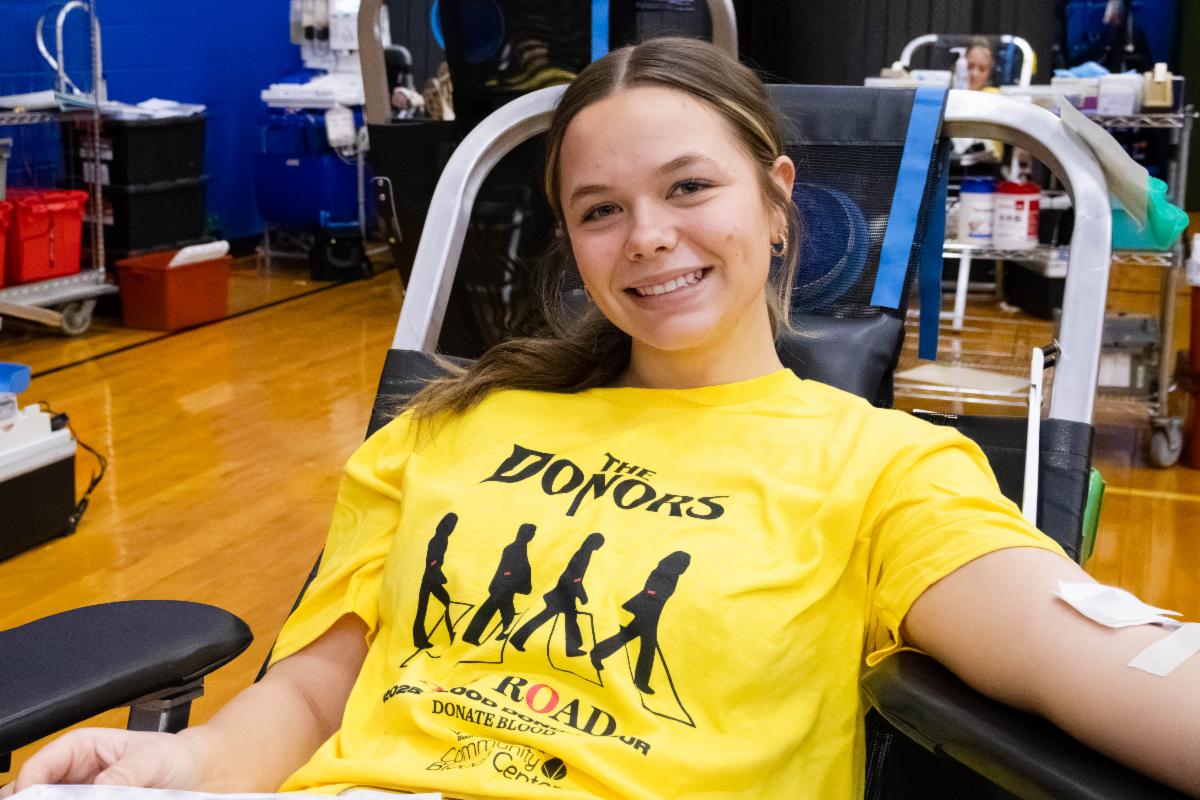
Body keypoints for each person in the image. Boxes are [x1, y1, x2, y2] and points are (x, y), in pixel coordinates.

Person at [4, 36, 1199, 800]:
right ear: (572, 240)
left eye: (690, 186)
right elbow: (319, 690)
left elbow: (1099, 655)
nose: (650, 239)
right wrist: (189, 762)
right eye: (600, 209)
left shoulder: (879, 466)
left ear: (778, 200)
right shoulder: (452, 424)